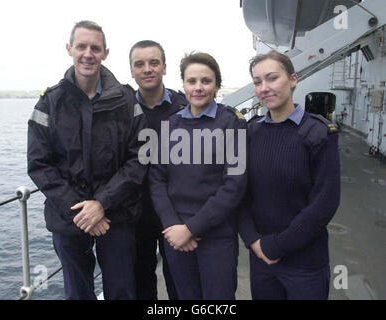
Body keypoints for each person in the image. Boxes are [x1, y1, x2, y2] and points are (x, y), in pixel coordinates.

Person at [27, 20, 147, 300]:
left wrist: (102, 204)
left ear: (106, 53)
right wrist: (83, 212)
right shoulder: (49, 103)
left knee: (121, 291)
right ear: (69, 49)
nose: (88, 53)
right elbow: (39, 163)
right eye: (81, 46)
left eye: (95, 47)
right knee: (77, 293)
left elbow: (139, 159)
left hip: (115, 217)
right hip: (69, 218)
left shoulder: (128, 101)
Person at [238, 50, 340, 300]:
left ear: (293, 79)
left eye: (272, 78)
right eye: (257, 82)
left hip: (304, 264)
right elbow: (238, 192)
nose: (264, 88)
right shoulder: (251, 132)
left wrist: (276, 246)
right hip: (261, 258)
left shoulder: (318, 134)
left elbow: (324, 203)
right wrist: (253, 241)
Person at [149, 52, 247, 299]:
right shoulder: (170, 125)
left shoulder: (231, 123)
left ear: (216, 84)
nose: (199, 87)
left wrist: (192, 228)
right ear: (183, 84)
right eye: (192, 81)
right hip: (177, 234)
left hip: (216, 235)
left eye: (206, 81)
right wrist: (172, 224)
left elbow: (234, 185)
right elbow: (157, 179)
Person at [129, 40, 187, 300]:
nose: (147, 69)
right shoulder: (121, 109)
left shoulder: (185, 107)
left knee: (179, 279)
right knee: (141, 280)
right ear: (131, 71)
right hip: (136, 212)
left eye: (154, 62)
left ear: (164, 67)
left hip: (177, 212)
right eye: (139, 64)